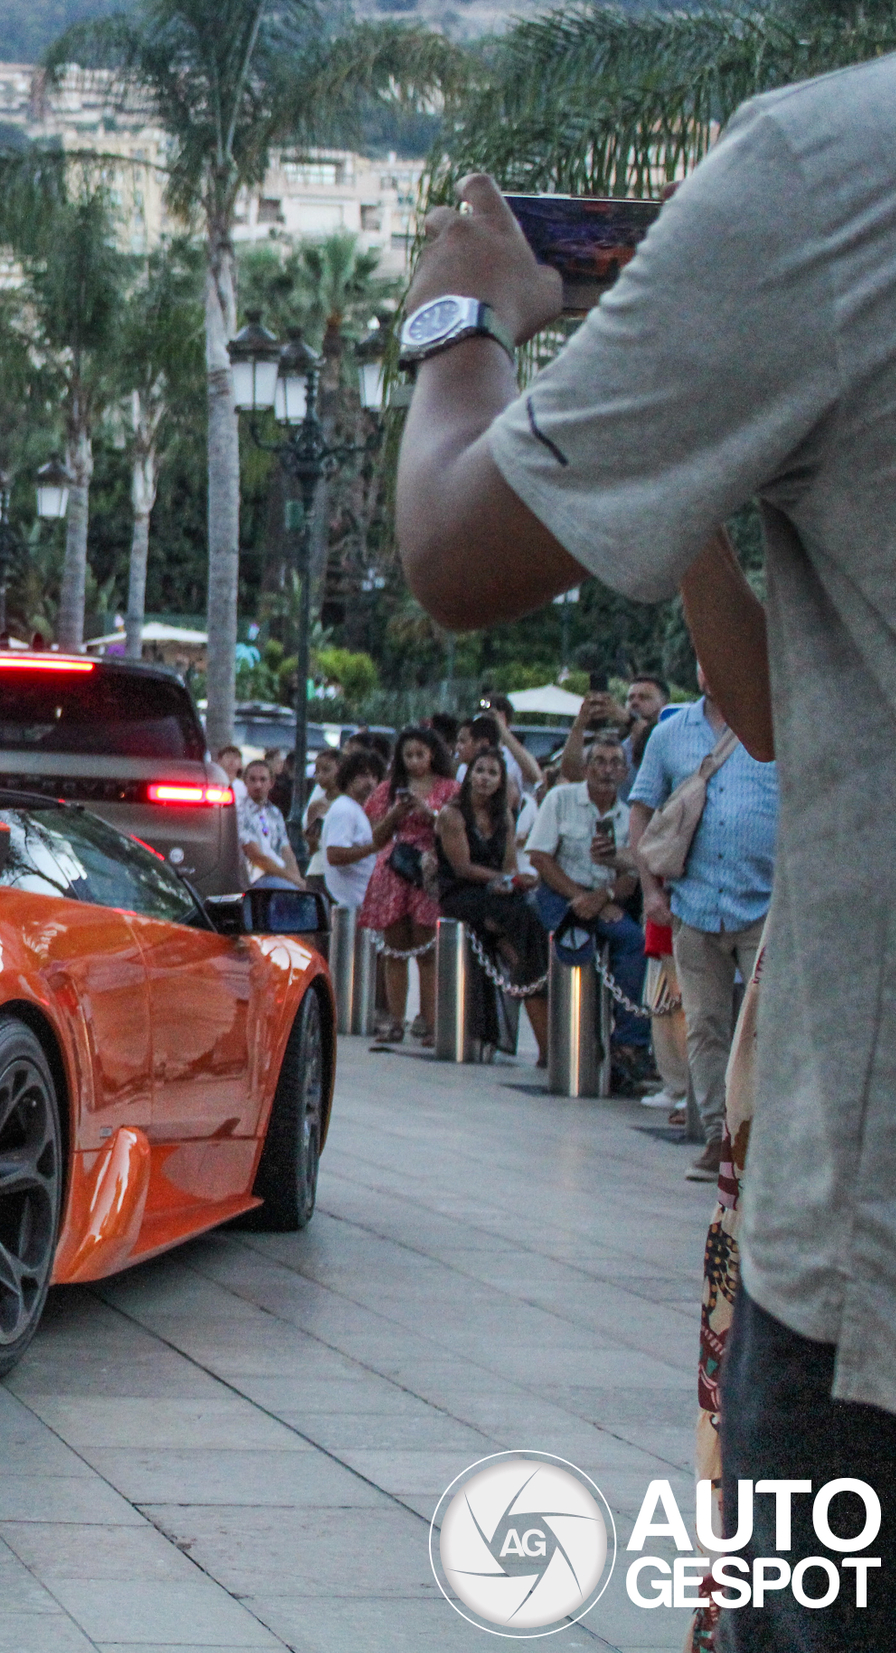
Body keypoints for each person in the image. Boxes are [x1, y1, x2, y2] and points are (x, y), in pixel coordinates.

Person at [390, 130, 896, 1642]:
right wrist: (698, 513)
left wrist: (458, 320)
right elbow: (793, 728)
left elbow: (456, 550)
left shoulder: (832, 175)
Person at [631, 667, 777, 1181]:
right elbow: (642, 811)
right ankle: (718, 1138)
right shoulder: (670, 733)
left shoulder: (774, 724)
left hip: (765, 903)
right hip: (692, 903)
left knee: (766, 1028)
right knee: (705, 1025)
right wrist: (651, 891)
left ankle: (760, 1138)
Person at [528, 737, 651, 1082]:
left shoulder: (629, 816)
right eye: (599, 761)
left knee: (634, 943)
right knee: (576, 949)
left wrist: (603, 898)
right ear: (585, 768)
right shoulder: (560, 799)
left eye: (615, 763)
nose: (606, 770)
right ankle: (577, 1049)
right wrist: (579, 898)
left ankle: (628, 1045)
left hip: (604, 900)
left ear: (626, 772)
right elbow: (539, 857)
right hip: (560, 894)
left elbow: (633, 873)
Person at [436, 746, 553, 1057]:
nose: (485, 778)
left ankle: (529, 966)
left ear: (502, 780)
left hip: (495, 891)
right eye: (480, 771)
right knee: (521, 921)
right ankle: (525, 962)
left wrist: (513, 881)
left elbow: (509, 864)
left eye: (492, 772)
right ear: (469, 775)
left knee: (531, 912)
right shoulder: (453, 814)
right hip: (460, 891)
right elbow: (461, 867)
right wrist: (503, 881)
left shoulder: (503, 817)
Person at [357, 726, 457, 1045]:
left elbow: (454, 829)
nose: (415, 761)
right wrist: (396, 813)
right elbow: (375, 837)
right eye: (408, 755)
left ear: (433, 755)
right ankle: (395, 1020)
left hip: (428, 869)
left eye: (421, 754)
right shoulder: (388, 790)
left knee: (427, 949)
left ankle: (429, 1020)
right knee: (394, 948)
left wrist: (429, 813)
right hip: (394, 870)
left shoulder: (450, 789)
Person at [319, 749, 384, 911]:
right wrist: (373, 847)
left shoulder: (357, 810)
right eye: (364, 775)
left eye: (374, 776)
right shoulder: (344, 809)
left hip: (362, 902)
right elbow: (334, 854)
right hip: (350, 905)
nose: (370, 782)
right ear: (348, 777)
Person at [237, 758, 300, 889]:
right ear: (245, 781)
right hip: (257, 879)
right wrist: (293, 880)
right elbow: (257, 857)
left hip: (279, 875)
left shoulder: (274, 812)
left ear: (271, 783)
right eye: (253, 780)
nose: (258, 785)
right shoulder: (240, 811)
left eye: (262, 779)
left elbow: (286, 850)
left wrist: (298, 880)